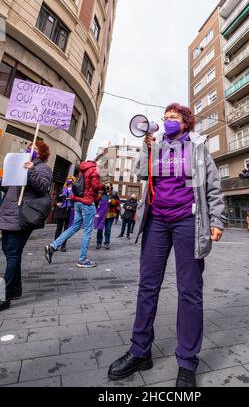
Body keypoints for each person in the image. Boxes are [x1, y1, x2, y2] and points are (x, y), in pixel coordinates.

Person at [108, 103, 225, 387]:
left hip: (188, 221)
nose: (168, 121)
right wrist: (147, 149)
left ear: (185, 123)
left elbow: (213, 185)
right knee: (147, 286)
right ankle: (140, 351)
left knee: (189, 291)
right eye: (165, 118)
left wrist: (218, 219)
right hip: (156, 223)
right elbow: (141, 175)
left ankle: (187, 362)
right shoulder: (156, 146)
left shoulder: (198, 148)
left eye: (173, 118)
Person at [0, 141, 52, 311]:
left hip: (22, 215)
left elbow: (43, 186)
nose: (31, 150)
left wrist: (31, 170)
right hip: (8, 212)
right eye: (30, 147)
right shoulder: (19, 163)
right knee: (9, 251)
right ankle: (15, 289)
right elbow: (7, 187)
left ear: (42, 153)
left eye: (35, 148)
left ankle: (5, 295)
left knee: (13, 253)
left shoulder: (42, 168)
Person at [44, 160, 101, 268]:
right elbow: (95, 187)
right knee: (88, 230)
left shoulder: (83, 170)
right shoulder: (94, 170)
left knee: (74, 226)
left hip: (78, 202)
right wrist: (99, 183)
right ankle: (82, 260)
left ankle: (53, 246)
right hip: (87, 203)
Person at [53, 176, 75, 252]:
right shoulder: (62, 189)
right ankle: (55, 245)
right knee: (59, 228)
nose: (70, 181)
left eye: (71, 180)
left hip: (69, 210)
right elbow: (56, 198)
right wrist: (57, 203)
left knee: (66, 229)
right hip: (61, 210)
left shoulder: (75, 190)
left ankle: (63, 246)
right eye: (68, 180)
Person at [100, 183, 120, 249]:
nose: (107, 186)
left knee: (108, 229)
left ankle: (107, 242)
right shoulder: (102, 192)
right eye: (106, 185)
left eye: (108, 185)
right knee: (100, 229)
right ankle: (98, 242)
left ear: (111, 186)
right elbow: (97, 199)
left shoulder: (114, 193)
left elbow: (118, 202)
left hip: (111, 213)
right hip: (102, 213)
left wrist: (111, 201)